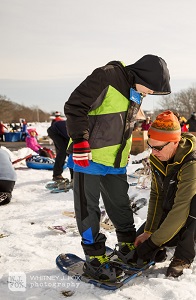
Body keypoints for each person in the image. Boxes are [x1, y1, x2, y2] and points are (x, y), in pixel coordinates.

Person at [63, 54, 171, 282]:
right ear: (143, 76)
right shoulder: (106, 76)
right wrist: (80, 140)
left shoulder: (136, 90)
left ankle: (125, 245)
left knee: (120, 204)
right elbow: (75, 105)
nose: (149, 94)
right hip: (89, 156)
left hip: (116, 161)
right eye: (151, 89)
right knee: (88, 208)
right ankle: (94, 257)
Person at [134, 110, 196, 278]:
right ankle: (193, 231)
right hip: (174, 204)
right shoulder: (158, 156)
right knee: (140, 239)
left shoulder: (193, 162)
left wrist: (153, 243)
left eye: (158, 147)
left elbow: (182, 207)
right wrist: (149, 232)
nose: (153, 152)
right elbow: (157, 196)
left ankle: (183, 256)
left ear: (175, 142)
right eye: (150, 146)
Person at [47, 120, 73, 186]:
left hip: (63, 133)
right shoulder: (75, 127)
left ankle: (74, 177)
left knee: (70, 153)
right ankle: (57, 175)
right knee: (62, 152)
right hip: (54, 132)